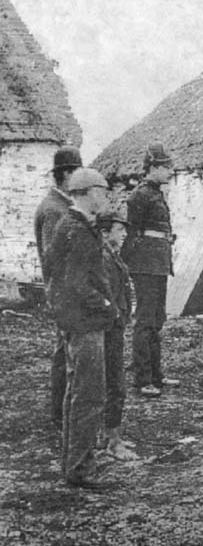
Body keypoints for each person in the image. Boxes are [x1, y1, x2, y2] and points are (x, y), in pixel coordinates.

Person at [46, 168, 116, 488]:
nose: (106, 197)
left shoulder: (71, 225)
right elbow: (77, 284)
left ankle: (73, 463)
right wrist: (107, 305)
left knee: (76, 393)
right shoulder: (77, 229)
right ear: (88, 193)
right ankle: (80, 469)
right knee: (89, 396)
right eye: (103, 191)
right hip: (85, 323)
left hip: (75, 321)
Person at [122, 142, 179, 398]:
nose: (170, 171)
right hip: (145, 265)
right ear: (153, 167)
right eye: (166, 167)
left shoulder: (155, 193)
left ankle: (156, 374)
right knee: (145, 321)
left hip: (158, 264)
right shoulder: (140, 196)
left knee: (157, 319)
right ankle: (143, 379)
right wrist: (127, 265)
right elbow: (132, 233)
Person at [34, 146, 83, 427]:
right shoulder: (53, 209)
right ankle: (60, 413)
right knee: (65, 352)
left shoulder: (61, 205)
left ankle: (62, 412)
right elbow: (54, 257)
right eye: (77, 173)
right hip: (64, 291)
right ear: (65, 175)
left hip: (67, 289)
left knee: (66, 350)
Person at [97, 211, 138, 461]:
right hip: (108, 328)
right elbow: (106, 295)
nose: (124, 234)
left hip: (114, 326)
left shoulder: (111, 255)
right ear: (104, 233)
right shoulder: (103, 258)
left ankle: (108, 435)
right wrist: (115, 315)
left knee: (112, 382)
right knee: (115, 384)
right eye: (119, 230)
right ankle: (112, 442)